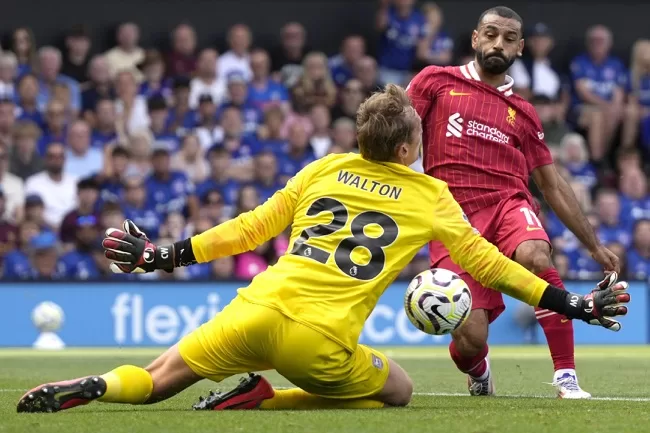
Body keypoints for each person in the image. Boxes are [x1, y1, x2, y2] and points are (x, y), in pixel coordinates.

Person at [17, 84, 629, 413]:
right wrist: (570, 303)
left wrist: (161, 257)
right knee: (399, 390)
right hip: (318, 343)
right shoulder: (430, 195)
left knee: (156, 380)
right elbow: (489, 263)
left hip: (255, 308)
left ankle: (100, 385)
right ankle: (266, 398)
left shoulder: (323, 169)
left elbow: (248, 229)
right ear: (406, 149)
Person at [406, 6, 621, 399]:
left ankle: (566, 376)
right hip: (452, 219)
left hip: (508, 203)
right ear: (476, 38)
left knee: (536, 254)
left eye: (508, 38)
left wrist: (592, 245)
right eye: (490, 34)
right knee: (470, 338)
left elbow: (552, 186)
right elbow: (396, 134)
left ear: (520, 48)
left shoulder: (524, 113)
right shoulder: (435, 81)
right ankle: (479, 370)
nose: (497, 44)